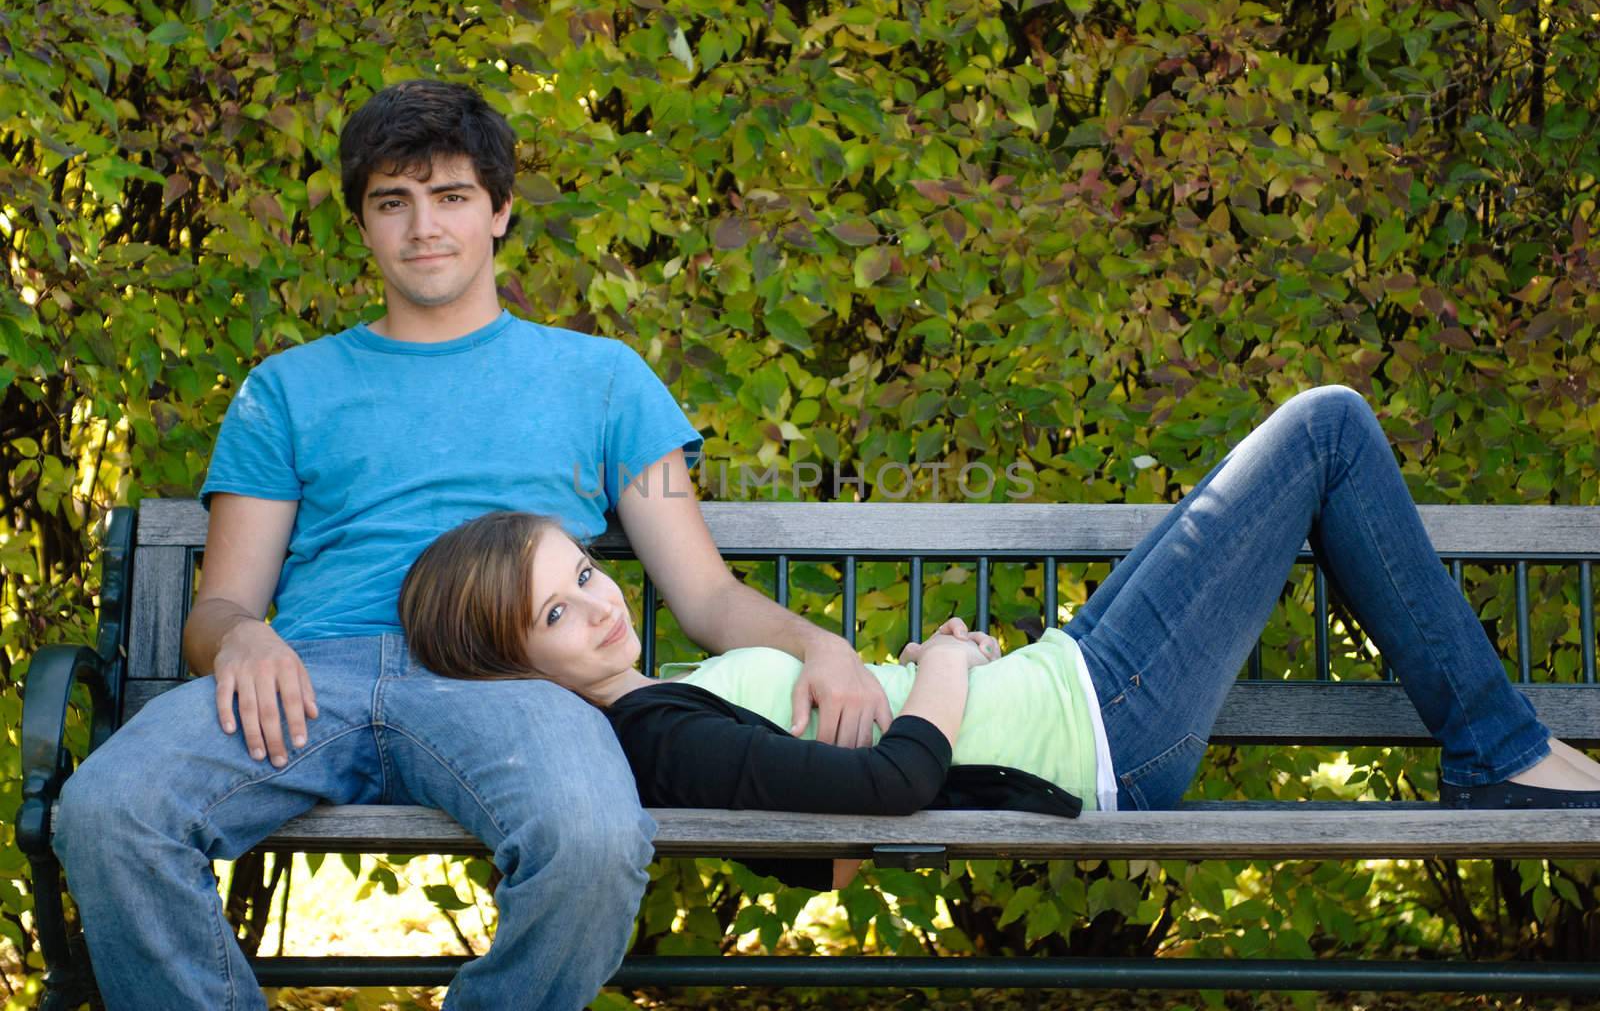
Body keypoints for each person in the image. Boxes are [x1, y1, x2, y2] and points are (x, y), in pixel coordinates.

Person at [51, 79, 891, 1011]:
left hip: (503, 678)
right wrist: (240, 636)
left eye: (451, 196)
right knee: (105, 812)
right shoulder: (285, 389)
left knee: (593, 841)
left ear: (498, 211)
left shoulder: (604, 380)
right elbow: (219, 609)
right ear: (363, 225)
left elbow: (704, 594)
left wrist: (820, 644)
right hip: (308, 678)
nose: (423, 227)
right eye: (392, 201)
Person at [398, 387, 1600, 892]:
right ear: (515, 666)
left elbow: (827, 854)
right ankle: (1497, 747)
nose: (602, 605)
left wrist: (918, 684)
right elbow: (894, 791)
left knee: (1304, 448)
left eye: (585, 574)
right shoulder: (651, 737)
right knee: (1326, 427)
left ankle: (1498, 746)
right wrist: (942, 671)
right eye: (558, 614)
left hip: (1073, 680)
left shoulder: (658, 713)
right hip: (1105, 732)